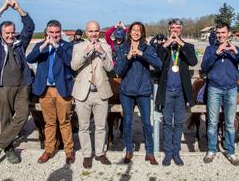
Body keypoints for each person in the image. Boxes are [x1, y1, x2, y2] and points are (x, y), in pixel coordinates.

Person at [0, 0, 35, 164]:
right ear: (1, 33)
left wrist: (18, 8)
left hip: (22, 86)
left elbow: (30, 26)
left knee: (22, 115)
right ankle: (9, 150)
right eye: (7, 33)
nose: (11, 35)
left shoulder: (20, 43)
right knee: (5, 119)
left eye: (13, 32)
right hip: (3, 86)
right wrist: (3, 7)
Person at [27, 20, 75, 164]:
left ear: (61, 32)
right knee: (48, 123)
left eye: (57, 32)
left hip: (62, 89)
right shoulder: (40, 46)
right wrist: (42, 46)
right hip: (45, 90)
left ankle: (69, 151)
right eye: (51, 32)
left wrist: (57, 47)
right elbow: (29, 59)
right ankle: (49, 150)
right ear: (47, 33)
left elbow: (70, 62)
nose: (54, 35)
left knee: (65, 122)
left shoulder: (67, 46)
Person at [201, 22, 239, 166]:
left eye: (223, 32)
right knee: (213, 122)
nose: (220, 35)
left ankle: (230, 151)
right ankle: (211, 150)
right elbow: (204, 67)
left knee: (230, 123)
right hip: (214, 88)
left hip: (231, 89)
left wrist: (236, 52)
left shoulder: (236, 49)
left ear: (229, 33)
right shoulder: (210, 49)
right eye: (218, 33)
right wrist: (216, 53)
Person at [115, 22, 162, 165]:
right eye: (134, 30)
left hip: (143, 90)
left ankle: (150, 152)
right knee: (128, 122)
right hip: (127, 91)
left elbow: (159, 65)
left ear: (142, 33)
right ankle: (129, 151)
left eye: (139, 31)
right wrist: (128, 57)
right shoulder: (122, 48)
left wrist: (142, 54)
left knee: (147, 123)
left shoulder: (147, 48)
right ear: (129, 32)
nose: (136, 32)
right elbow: (119, 71)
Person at [154, 19, 198, 166]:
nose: (175, 30)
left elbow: (193, 61)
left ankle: (176, 153)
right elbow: (156, 62)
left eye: (178, 28)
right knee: (167, 123)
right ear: (168, 29)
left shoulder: (188, 46)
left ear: (181, 30)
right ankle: (168, 153)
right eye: (172, 28)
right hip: (166, 91)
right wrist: (166, 44)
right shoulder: (162, 47)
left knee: (178, 123)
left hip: (180, 92)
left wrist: (181, 44)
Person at [71, 21, 113, 169]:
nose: (93, 34)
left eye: (96, 31)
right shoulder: (77, 47)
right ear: (86, 32)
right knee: (83, 127)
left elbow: (110, 67)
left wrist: (102, 52)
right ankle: (87, 155)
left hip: (101, 92)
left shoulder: (106, 46)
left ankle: (100, 153)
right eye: (90, 31)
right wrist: (86, 52)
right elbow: (74, 66)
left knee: (101, 127)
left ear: (99, 31)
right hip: (83, 93)